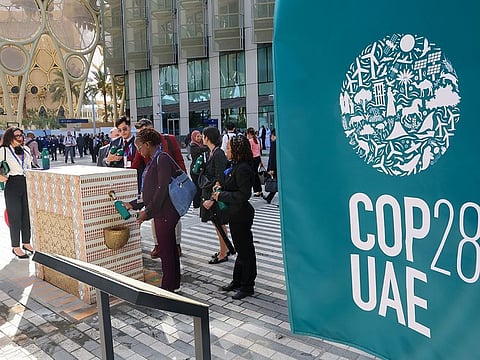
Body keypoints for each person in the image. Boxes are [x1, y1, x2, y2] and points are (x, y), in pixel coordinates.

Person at [123, 128, 181, 292]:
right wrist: (133, 204)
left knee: (167, 252)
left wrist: (147, 212)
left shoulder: (161, 158)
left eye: (140, 148)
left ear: (148, 145)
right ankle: (174, 283)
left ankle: (168, 288)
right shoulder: (155, 159)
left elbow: (161, 189)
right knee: (169, 250)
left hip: (166, 212)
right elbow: (150, 191)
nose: (139, 152)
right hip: (162, 212)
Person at [210, 135, 256, 300]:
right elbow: (233, 185)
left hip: (241, 214)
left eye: (228, 148)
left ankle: (247, 286)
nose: (226, 150)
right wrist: (221, 187)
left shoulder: (243, 168)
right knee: (241, 250)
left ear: (236, 151)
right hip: (235, 214)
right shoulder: (236, 165)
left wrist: (221, 195)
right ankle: (237, 281)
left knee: (246, 251)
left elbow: (243, 195)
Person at [132, 118, 186, 258]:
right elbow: (135, 165)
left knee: (174, 216)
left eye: (145, 132)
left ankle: (177, 244)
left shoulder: (169, 140)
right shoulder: (141, 146)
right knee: (157, 218)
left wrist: (183, 179)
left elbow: (179, 159)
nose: (142, 136)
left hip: (171, 183)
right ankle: (158, 244)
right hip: (154, 184)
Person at [0, 127, 34, 259]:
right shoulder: (4, 150)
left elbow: (30, 165)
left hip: (27, 183)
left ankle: (26, 243)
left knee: (27, 216)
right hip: (13, 184)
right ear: (10, 137)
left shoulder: (26, 149)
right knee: (15, 218)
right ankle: (16, 247)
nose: (20, 137)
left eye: (21, 135)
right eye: (17, 135)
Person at [199, 126, 230, 264]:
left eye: (203, 135)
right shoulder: (211, 152)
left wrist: (212, 198)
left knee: (220, 225)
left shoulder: (218, 154)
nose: (201, 137)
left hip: (217, 197)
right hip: (213, 194)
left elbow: (220, 178)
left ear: (208, 138)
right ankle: (224, 249)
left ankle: (223, 253)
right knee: (219, 225)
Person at [189, 130, 207, 209]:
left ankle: (199, 203)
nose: (199, 138)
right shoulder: (193, 145)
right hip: (195, 169)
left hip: (200, 169)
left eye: (200, 136)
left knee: (200, 187)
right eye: (198, 136)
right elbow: (202, 150)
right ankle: (196, 204)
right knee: (197, 187)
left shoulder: (200, 144)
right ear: (193, 137)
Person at [246, 127, 264, 197]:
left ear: (249, 133)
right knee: (256, 175)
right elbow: (259, 151)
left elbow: (249, 151)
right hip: (257, 158)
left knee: (253, 175)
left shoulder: (250, 141)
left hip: (252, 159)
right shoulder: (257, 140)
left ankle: (257, 190)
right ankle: (259, 190)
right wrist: (261, 160)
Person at [263, 129, 277, 204]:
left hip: (274, 167)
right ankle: (269, 197)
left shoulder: (274, 143)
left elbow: (272, 157)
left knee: (276, 183)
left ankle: (270, 198)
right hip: (276, 167)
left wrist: (271, 168)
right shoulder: (278, 143)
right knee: (277, 183)